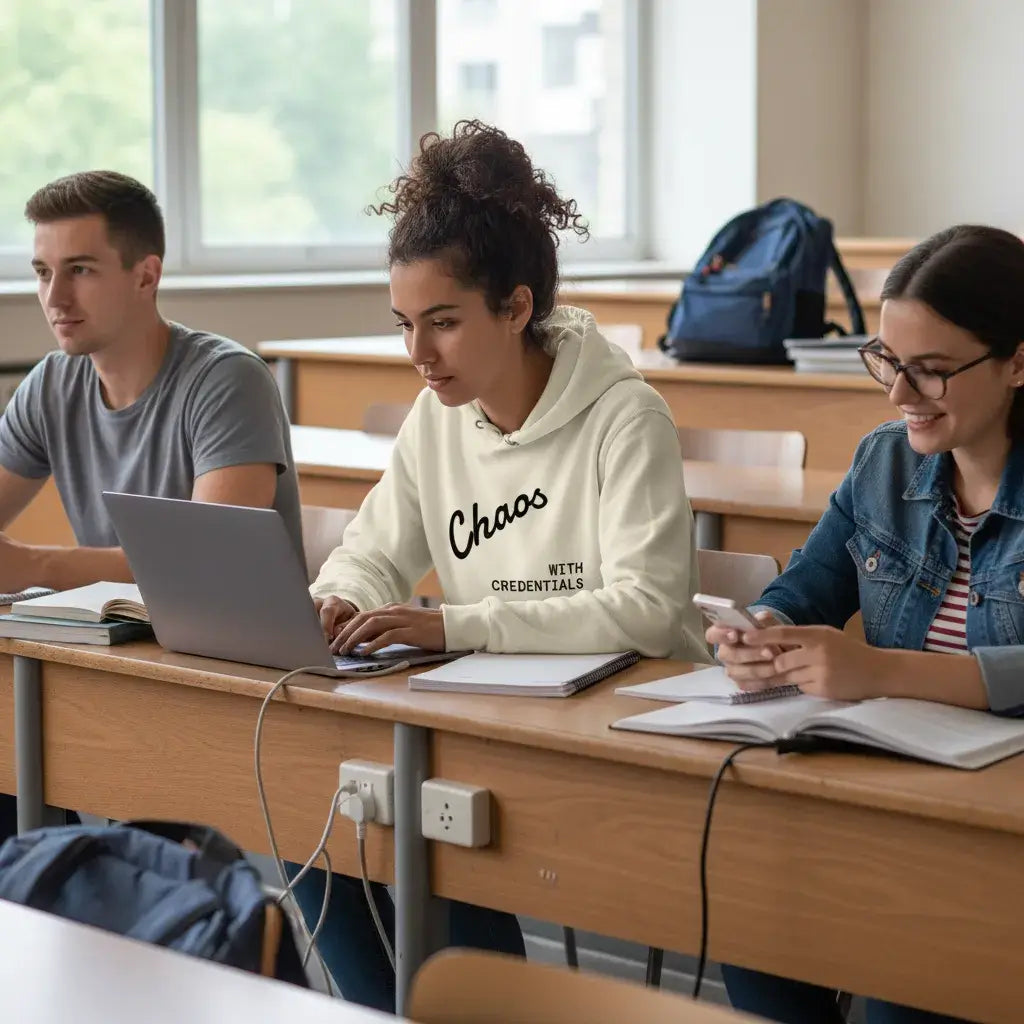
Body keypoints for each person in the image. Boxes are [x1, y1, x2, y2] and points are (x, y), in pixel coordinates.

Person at [287, 119, 708, 1011]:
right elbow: (372, 548)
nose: (417, 355)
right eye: (404, 325)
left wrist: (456, 623)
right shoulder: (437, 416)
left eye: (442, 323)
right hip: (487, 723)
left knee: (441, 840)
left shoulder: (627, 418)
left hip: (625, 736)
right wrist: (337, 599)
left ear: (517, 307)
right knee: (308, 825)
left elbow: (646, 609)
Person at [708, 224, 1024, 1024]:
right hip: (881, 799)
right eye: (887, 361)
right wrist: (764, 629)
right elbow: (813, 580)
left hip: (994, 832)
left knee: (895, 984)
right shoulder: (884, 461)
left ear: (1019, 360)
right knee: (751, 927)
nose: (898, 395)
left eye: (931, 371)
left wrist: (880, 671)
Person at [0, 170, 302, 841]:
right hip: (115, 670)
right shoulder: (53, 383)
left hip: (235, 688)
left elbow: (209, 570)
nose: (54, 297)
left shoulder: (226, 380)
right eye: (42, 271)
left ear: (146, 274)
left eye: (79, 270)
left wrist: (32, 564)